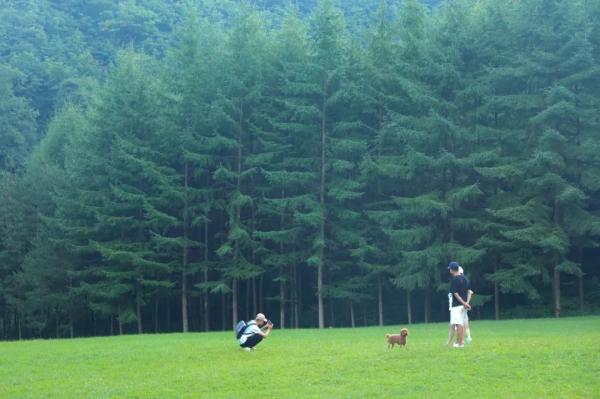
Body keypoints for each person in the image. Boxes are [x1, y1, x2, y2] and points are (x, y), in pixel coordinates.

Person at [446, 266, 474, 346]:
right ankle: (459, 343)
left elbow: (455, 293)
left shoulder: (454, 280)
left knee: (458, 324)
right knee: (461, 324)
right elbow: (470, 291)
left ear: (452, 270)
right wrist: (467, 302)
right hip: (464, 306)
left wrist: (464, 303)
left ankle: (459, 343)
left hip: (457, 305)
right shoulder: (465, 279)